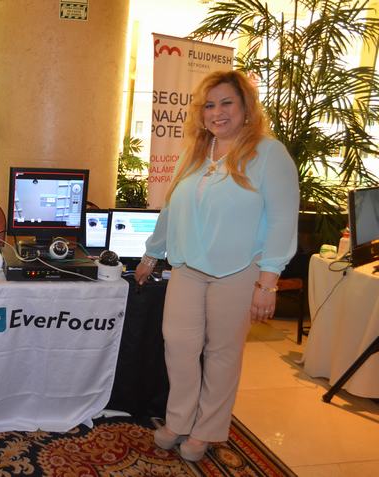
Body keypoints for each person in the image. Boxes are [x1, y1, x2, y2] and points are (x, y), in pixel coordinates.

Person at [134, 70, 299, 462]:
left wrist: (268, 282)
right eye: (209, 105)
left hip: (239, 271)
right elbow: (171, 208)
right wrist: (151, 254)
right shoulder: (195, 151)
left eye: (227, 103)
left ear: (246, 108)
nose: (217, 112)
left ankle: (206, 429)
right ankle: (179, 420)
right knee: (178, 346)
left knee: (222, 353)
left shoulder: (269, 153)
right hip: (188, 268)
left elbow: (282, 219)